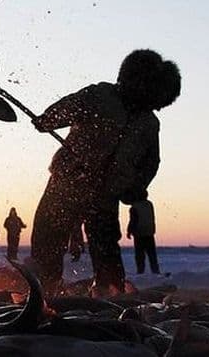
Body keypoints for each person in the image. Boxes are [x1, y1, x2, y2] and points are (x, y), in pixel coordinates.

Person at [30, 49, 180, 294]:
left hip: (105, 198)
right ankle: (45, 296)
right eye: (157, 99)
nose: (158, 106)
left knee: (107, 255)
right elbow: (52, 117)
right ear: (137, 82)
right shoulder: (98, 95)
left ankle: (109, 300)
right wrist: (46, 120)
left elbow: (150, 163)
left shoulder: (149, 124)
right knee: (48, 244)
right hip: (67, 186)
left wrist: (136, 189)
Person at [127, 189, 159, 275]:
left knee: (140, 256)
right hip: (149, 232)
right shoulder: (149, 204)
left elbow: (133, 220)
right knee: (152, 255)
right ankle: (156, 272)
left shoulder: (134, 206)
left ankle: (140, 272)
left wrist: (129, 231)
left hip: (139, 233)